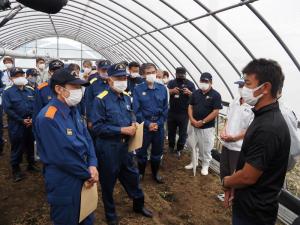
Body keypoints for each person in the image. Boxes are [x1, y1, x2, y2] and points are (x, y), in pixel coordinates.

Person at [222, 59, 290, 225]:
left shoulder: (269, 128)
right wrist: (234, 187)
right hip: (248, 203)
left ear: (265, 88)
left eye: (247, 83)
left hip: (254, 213)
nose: (243, 89)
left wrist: (226, 182)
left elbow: (247, 177)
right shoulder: (261, 116)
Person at [34, 68, 98, 225]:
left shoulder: (73, 110)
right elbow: (62, 157)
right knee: (67, 218)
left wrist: (93, 164)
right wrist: (88, 173)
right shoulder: (48, 118)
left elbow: (87, 139)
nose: (79, 91)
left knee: (86, 216)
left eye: (80, 87)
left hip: (84, 172)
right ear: (58, 89)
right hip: (65, 180)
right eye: (75, 87)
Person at [92, 63, 152, 225]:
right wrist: (121, 130)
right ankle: (111, 215)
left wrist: (133, 124)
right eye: (119, 78)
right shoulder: (100, 99)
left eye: (124, 77)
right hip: (108, 149)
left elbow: (131, 114)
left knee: (132, 177)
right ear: (110, 80)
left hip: (125, 148)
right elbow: (97, 127)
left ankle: (138, 205)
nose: (123, 81)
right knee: (108, 183)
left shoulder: (126, 97)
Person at [219, 79, 253, 204]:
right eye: (239, 86)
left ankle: (235, 198)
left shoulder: (252, 106)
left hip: (239, 148)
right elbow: (228, 119)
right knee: (224, 172)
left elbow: (250, 129)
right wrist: (223, 131)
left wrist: (234, 138)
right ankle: (226, 196)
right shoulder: (235, 101)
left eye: (243, 85)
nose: (241, 88)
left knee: (235, 175)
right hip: (226, 144)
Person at [133, 63, 168, 183]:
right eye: (148, 73)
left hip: (159, 126)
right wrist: (148, 124)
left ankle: (155, 173)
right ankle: (140, 173)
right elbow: (137, 111)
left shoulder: (162, 89)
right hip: (144, 126)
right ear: (143, 75)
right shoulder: (138, 89)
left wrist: (158, 123)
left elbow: (165, 109)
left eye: (153, 72)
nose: (151, 75)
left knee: (157, 152)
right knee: (141, 153)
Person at [3, 68, 38, 182]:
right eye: (16, 76)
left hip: (31, 123)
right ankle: (16, 169)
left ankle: (31, 164)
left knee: (31, 144)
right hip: (16, 124)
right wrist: (21, 120)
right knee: (17, 146)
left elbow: (36, 105)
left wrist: (33, 119)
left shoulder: (30, 90)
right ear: (11, 78)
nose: (20, 77)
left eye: (21, 75)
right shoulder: (7, 92)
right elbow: (8, 110)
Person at [185, 72, 222, 175]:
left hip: (207, 127)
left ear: (211, 82)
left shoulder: (216, 95)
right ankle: (194, 162)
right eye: (202, 81)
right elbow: (190, 106)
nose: (203, 83)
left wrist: (203, 121)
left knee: (206, 147)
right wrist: (192, 119)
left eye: (206, 81)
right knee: (192, 145)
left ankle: (205, 165)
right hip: (193, 125)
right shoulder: (195, 93)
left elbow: (215, 111)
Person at [167, 67, 195, 157]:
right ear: (175, 74)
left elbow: (195, 97)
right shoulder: (171, 83)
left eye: (182, 75)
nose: (180, 76)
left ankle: (179, 149)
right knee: (171, 131)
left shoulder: (190, 84)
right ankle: (171, 147)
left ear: (185, 74)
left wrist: (189, 93)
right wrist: (172, 91)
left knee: (183, 133)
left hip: (184, 113)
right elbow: (165, 92)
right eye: (178, 74)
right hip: (172, 112)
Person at [84, 60, 111, 131]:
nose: (106, 72)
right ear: (98, 70)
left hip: (110, 118)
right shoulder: (92, 83)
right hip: (96, 119)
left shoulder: (113, 83)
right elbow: (88, 102)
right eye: (104, 70)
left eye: (108, 70)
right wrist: (89, 120)